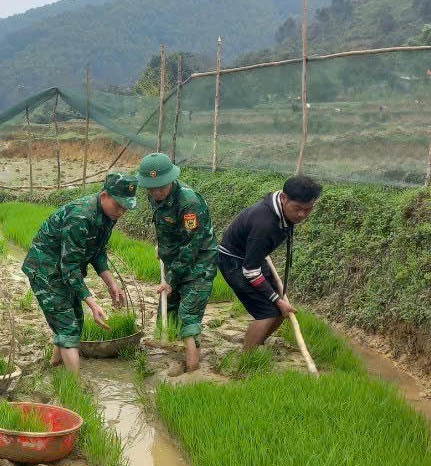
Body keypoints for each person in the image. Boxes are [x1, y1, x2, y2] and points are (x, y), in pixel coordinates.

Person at [21, 172, 136, 373]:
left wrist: (111, 284)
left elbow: (98, 251)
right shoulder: (80, 216)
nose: (121, 212)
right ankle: (76, 385)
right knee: (67, 325)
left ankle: (54, 365)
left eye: (125, 208)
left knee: (74, 319)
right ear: (103, 196)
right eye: (118, 205)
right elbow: (70, 267)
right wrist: (92, 303)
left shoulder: (109, 215)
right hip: (45, 270)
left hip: (64, 268)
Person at [216, 175, 322, 354]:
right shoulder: (265, 224)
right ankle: (247, 358)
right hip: (234, 262)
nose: (302, 214)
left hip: (253, 258)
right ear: (283, 198)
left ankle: (256, 343)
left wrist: (279, 300)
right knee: (267, 312)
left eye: (308, 209)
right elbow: (250, 271)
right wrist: (277, 300)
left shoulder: (281, 211)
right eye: (297, 208)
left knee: (282, 310)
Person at [134, 153, 216, 372]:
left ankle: (192, 372)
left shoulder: (189, 202)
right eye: (151, 188)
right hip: (174, 261)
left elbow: (192, 245)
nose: (156, 192)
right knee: (168, 313)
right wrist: (162, 248)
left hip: (199, 264)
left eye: (160, 187)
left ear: (171, 179)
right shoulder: (154, 196)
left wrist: (170, 280)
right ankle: (168, 361)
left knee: (188, 316)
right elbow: (167, 228)